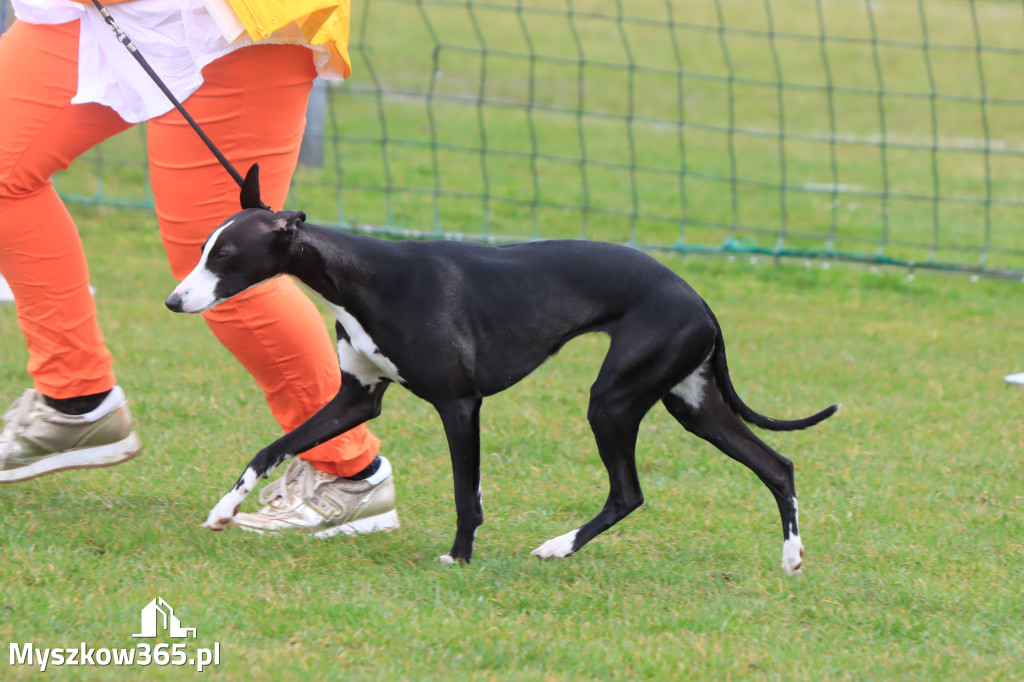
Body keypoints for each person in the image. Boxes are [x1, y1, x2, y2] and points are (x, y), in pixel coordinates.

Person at [0, 0, 399, 538]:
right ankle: (76, 400)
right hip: (88, 12)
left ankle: (350, 473)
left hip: (233, 22)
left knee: (229, 270)